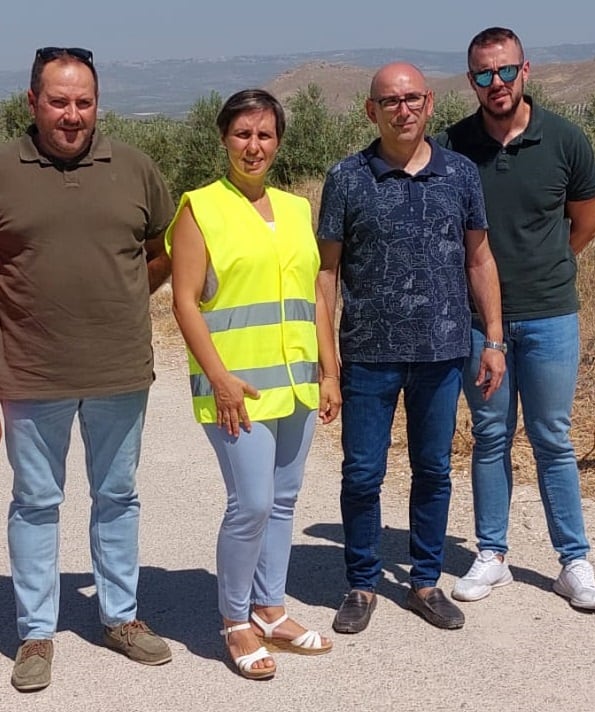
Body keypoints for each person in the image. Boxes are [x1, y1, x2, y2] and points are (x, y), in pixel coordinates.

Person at [0, 47, 174, 692]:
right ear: (33, 102)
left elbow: (161, 251)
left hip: (119, 369)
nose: (72, 115)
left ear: (97, 102)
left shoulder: (134, 167)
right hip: (29, 373)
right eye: (59, 101)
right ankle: (35, 633)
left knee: (117, 497)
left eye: (84, 102)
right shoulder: (2, 168)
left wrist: (127, 294)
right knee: (36, 502)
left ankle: (120, 617)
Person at [317, 62, 505, 633]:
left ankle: (424, 581)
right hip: (368, 355)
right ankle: (361, 583)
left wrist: (493, 340)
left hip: (442, 351)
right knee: (362, 473)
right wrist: (328, 365)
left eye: (413, 99)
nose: (403, 109)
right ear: (371, 110)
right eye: (390, 101)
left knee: (433, 470)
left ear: (428, 104)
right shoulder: (347, 178)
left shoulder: (460, 174)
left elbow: (479, 258)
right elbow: (326, 275)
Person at [166, 89, 339, 680]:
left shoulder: (295, 209)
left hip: (297, 383)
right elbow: (183, 302)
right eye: (243, 134)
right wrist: (218, 378)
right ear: (224, 139)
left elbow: (313, 294)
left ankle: (270, 609)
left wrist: (330, 369)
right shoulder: (200, 208)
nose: (254, 146)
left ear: (279, 142)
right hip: (236, 388)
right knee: (253, 504)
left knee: (284, 501)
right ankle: (235, 621)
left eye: (264, 135)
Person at [438, 27, 595, 612]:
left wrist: (548, 269)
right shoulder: (452, 146)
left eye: (505, 71)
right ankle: (492, 554)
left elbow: (584, 224)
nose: (496, 84)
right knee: (489, 437)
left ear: (525, 70)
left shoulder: (565, 140)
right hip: (476, 322)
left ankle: (574, 562)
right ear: (472, 82)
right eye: (484, 75)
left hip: (550, 315)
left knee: (552, 438)